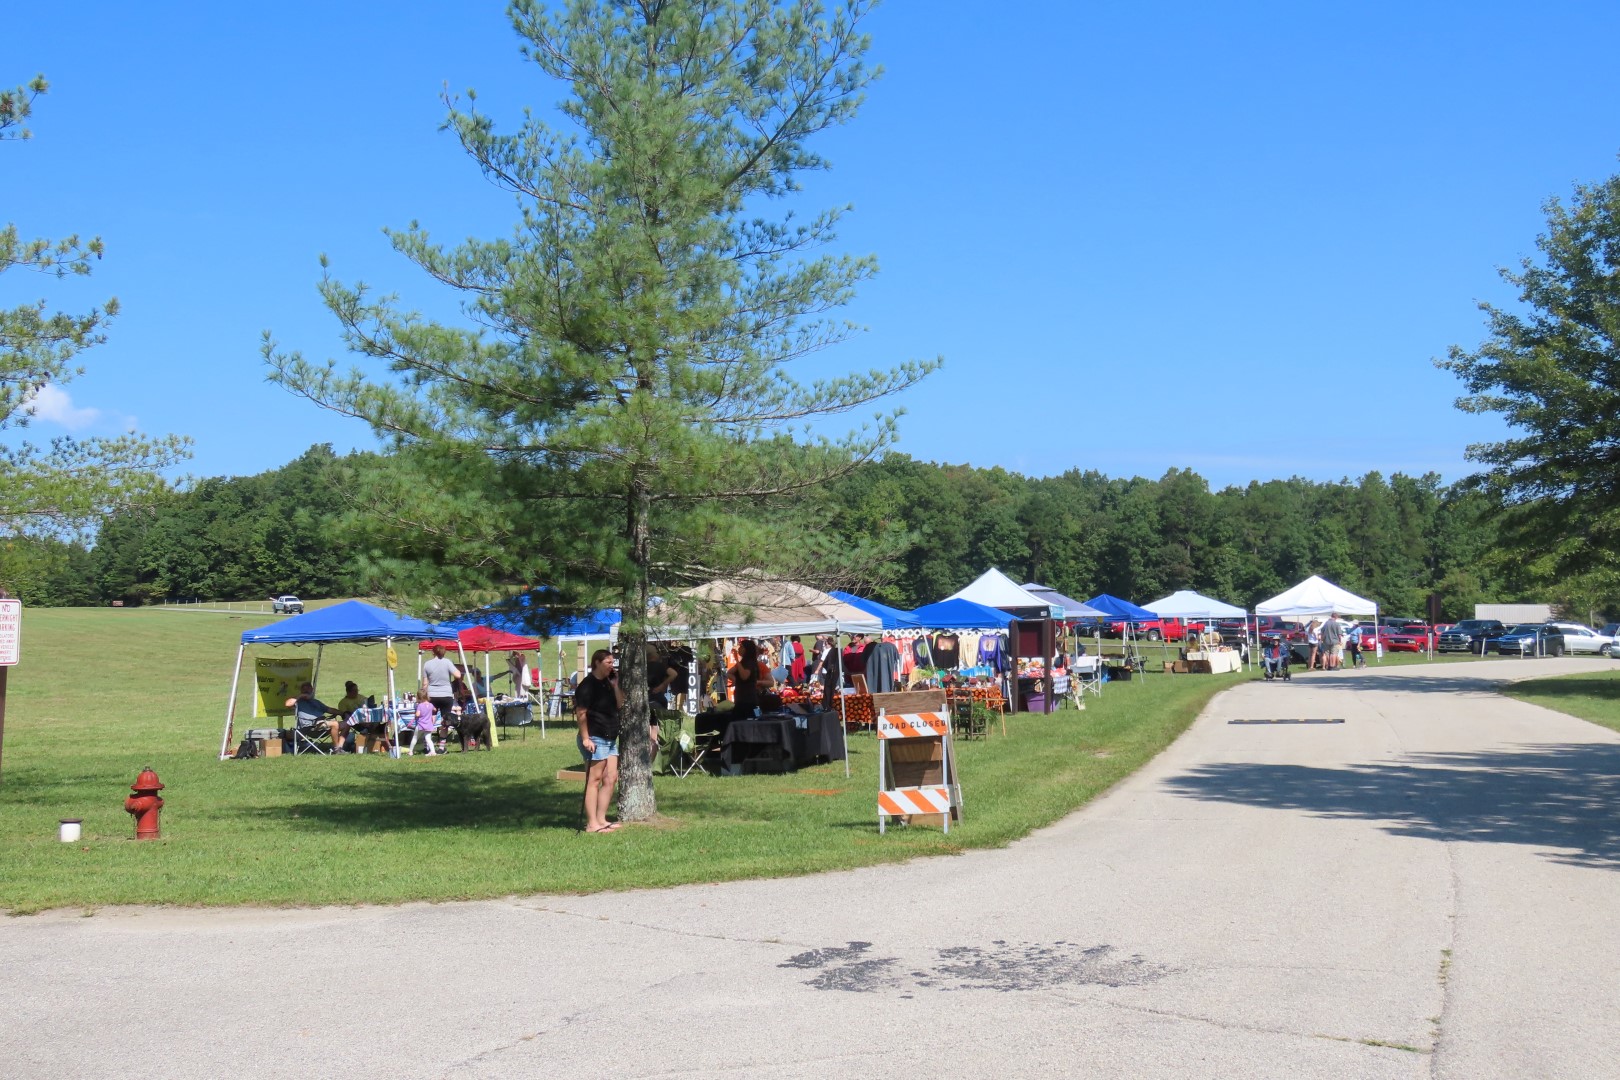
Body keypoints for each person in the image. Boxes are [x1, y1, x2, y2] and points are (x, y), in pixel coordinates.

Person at [575, 648, 624, 833]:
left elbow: (619, 704)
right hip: (595, 737)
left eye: (613, 663)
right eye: (608, 663)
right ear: (597, 663)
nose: (612, 666)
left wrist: (616, 685)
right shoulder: (588, 685)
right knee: (594, 780)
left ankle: (602, 819)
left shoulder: (607, 683)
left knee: (611, 777)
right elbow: (581, 713)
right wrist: (586, 738)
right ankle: (591, 823)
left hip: (610, 737)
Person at [285, 682, 344, 750]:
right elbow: (287, 704)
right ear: (301, 691)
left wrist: (343, 713)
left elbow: (329, 709)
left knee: (346, 724)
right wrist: (301, 696)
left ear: (312, 690)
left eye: (308, 689)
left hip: (322, 725)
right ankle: (337, 749)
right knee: (335, 724)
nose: (306, 691)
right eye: (304, 690)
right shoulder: (298, 702)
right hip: (310, 727)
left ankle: (341, 746)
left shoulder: (316, 702)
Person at [421, 644, 463, 730]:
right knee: (446, 719)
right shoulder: (447, 662)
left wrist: (423, 696)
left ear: (433, 652)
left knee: (431, 717)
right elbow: (458, 675)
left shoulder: (427, 664)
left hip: (432, 695)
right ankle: (442, 741)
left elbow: (425, 684)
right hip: (446, 695)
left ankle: (427, 737)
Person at [728, 639, 773, 715]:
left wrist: (736, 659)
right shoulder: (742, 663)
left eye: (741, 647)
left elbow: (744, 676)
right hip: (740, 698)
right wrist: (736, 680)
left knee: (751, 718)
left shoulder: (750, 663)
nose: (739, 649)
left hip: (749, 699)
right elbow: (729, 673)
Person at [452, 678, 490, 750]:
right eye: (461, 676)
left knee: (479, 733)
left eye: (462, 676)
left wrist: (466, 693)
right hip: (460, 705)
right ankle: (469, 748)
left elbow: (467, 693)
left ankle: (487, 746)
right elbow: (456, 695)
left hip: (465, 704)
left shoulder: (463, 684)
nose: (462, 677)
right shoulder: (453, 685)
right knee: (475, 734)